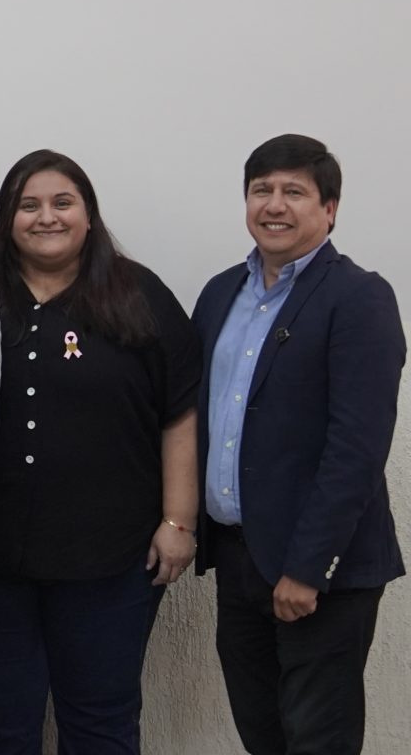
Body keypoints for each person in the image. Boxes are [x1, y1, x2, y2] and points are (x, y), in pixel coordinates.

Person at [0, 150, 200, 754]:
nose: (46, 216)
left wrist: (179, 521)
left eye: (62, 202)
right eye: (29, 205)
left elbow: (179, 411)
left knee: (100, 723)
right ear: (7, 220)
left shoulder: (138, 293)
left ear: (89, 215)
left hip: (112, 561)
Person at [194, 134, 404, 754]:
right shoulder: (220, 293)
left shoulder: (359, 297)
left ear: (329, 209)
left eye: (294, 192)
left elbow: (356, 450)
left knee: (318, 738)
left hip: (317, 571)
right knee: (261, 732)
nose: (274, 205)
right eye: (261, 190)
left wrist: (307, 569)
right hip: (239, 560)